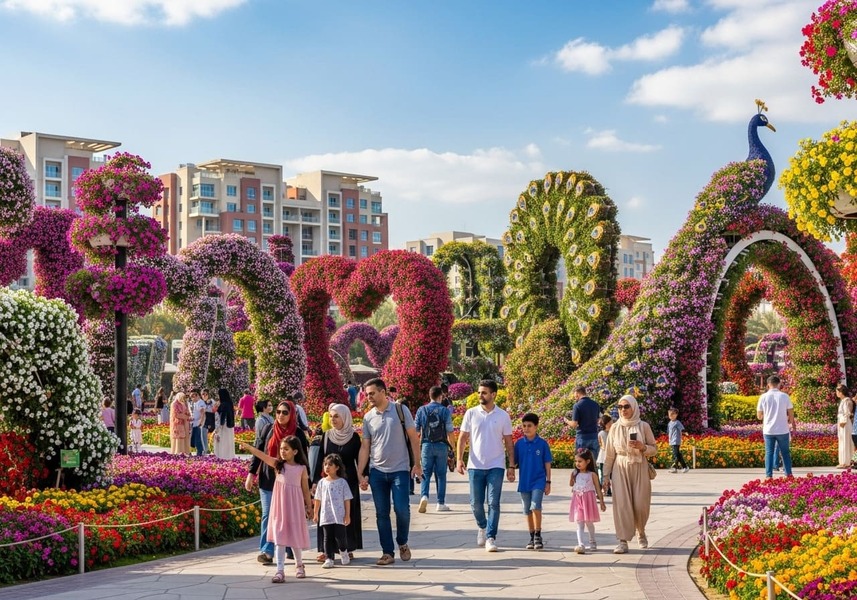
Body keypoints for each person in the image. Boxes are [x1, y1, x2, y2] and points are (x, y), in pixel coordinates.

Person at [357, 378, 422, 566]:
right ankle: (387, 552)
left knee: (402, 509)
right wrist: (360, 472)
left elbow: (413, 438)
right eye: (367, 394)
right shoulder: (368, 417)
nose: (368, 397)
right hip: (377, 472)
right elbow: (365, 447)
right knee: (381, 513)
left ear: (383, 392)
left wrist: (417, 464)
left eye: (372, 393)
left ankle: (402, 541)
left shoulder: (401, 410)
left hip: (400, 470)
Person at [239, 436, 312, 583]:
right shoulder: (278, 465)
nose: (283, 452)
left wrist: (309, 506)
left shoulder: (301, 469)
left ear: (295, 451)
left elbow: (305, 489)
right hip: (280, 507)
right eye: (281, 449)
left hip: (295, 507)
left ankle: (299, 565)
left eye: (286, 449)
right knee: (280, 537)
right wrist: (248, 447)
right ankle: (280, 570)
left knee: (295, 535)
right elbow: (262, 456)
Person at [246, 400, 309, 567]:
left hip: (290, 482)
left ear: (292, 414)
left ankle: (289, 546)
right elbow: (259, 450)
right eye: (278, 411)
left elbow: (304, 460)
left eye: (285, 412)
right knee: (269, 514)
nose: (280, 415)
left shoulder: (298, 433)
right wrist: (251, 473)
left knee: (288, 515)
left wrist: (309, 484)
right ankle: (267, 551)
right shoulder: (268, 429)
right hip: (268, 479)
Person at [456, 379, 515, 553]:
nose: (480, 395)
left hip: (496, 465)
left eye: (484, 392)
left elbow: (509, 442)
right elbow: (463, 437)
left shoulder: (503, 415)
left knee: (494, 503)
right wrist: (459, 459)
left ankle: (490, 536)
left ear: (493, 394)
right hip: (475, 465)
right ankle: (482, 526)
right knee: (475, 503)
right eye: (479, 392)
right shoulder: (471, 413)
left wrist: (511, 466)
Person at [602, 394, 657, 554]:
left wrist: (642, 447)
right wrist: (605, 476)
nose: (623, 410)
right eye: (620, 407)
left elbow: (654, 449)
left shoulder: (643, 426)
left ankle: (641, 531)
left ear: (634, 407)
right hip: (620, 467)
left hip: (639, 466)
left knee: (640, 504)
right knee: (622, 505)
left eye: (626, 406)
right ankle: (622, 540)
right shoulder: (614, 427)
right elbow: (610, 454)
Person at [311, 403, 363, 563]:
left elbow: (360, 459)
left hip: (348, 482)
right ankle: (327, 551)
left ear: (345, 417)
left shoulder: (353, 437)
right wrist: (315, 481)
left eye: (337, 416)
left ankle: (347, 548)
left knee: (347, 515)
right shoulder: (327, 436)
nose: (333, 419)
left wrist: (364, 476)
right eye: (331, 416)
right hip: (328, 483)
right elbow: (320, 459)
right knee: (326, 515)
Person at [514, 412, 552, 551]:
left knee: (535, 506)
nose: (526, 428)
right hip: (524, 481)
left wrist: (548, 482)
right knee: (526, 510)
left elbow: (547, 463)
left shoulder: (542, 444)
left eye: (529, 426)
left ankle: (538, 534)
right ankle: (531, 535)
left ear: (536, 426)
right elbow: (514, 461)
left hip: (538, 480)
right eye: (524, 426)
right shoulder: (519, 444)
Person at [415, 386, 455, 513]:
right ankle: (440, 503)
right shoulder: (445, 411)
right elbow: (450, 432)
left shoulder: (422, 410)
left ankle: (424, 496)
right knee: (441, 475)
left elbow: (416, 431)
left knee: (425, 473)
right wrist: (452, 449)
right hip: (442, 446)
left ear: (429, 395)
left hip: (426, 445)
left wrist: (416, 448)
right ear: (440, 396)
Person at [312, 453, 353, 569]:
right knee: (327, 537)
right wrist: (316, 513)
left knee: (340, 537)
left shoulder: (342, 482)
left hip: (339, 515)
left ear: (337, 467)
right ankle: (329, 558)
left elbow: (347, 499)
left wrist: (347, 515)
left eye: (330, 465)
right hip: (326, 515)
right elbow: (317, 499)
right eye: (325, 464)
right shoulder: (321, 482)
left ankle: (343, 551)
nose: (327, 467)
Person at [756, 375, 795, 479]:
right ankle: (788, 474)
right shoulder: (784, 396)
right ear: (779, 384)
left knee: (769, 452)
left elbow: (759, 416)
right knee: (785, 452)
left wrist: (767, 415)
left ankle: (769, 476)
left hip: (768, 430)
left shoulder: (763, 397)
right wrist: (792, 423)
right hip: (783, 429)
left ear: (768, 385)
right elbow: (791, 412)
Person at [569, 448, 606, 554]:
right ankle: (581, 544)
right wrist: (572, 477)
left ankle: (592, 541)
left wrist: (602, 502)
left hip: (588, 501)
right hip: (578, 501)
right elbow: (571, 485)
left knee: (589, 523)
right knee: (579, 523)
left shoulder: (592, 475)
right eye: (576, 461)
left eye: (580, 461)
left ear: (588, 461)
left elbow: (598, 489)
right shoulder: (575, 473)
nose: (577, 464)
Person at [565, 385, 601, 459]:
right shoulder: (595, 404)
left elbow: (574, 424)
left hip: (582, 437)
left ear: (578, 393)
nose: (574, 396)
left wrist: (567, 421)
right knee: (593, 463)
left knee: (581, 461)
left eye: (574, 394)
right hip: (594, 436)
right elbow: (598, 420)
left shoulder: (577, 405)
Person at [835, 383, 854, 468]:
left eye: (837, 391)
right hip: (841, 423)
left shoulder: (847, 400)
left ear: (841, 392)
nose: (836, 392)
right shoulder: (843, 401)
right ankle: (843, 462)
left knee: (846, 442)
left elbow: (848, 413)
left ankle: (846, 462)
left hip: (845, 423)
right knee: (842, 441)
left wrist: (843, 421)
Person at [214, 388, 236, 459]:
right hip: (230, 425)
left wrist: (218, 428)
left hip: (224, 426)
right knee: (229, 441)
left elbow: (222, 417)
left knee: (223, 441)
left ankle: (223, 456)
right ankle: (229, 456)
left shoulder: (223, 404)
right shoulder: (230, 403)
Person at [667, 408, 689, 473]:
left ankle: (675, 468)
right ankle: (685, 467)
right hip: (671, 441)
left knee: (676, 454)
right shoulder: (669, 423)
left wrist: (685, 433)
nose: (670, 416)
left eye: (672, 414)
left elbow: (682, 429)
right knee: (678, 454)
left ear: (676, 415)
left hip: (676, 440)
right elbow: (669, 432)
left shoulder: (677, 422)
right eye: (669, 414)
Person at [596, 414, 612, 495]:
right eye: (610, 422)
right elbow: (603, 445)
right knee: (603, 474)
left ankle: (608, 489)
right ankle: (605, 490)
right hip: (603, 457)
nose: (612, 423)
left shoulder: (612, 432)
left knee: (609, 474)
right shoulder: (602, 433)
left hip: (609, 457)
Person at [189, 389, 206, 456]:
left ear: (196, 396)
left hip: (198, 424)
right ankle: (198, 452)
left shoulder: (200, 403)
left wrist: (201, 422)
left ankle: (200, 453)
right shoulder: (196, 403)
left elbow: (202, 413)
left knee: (198, 439)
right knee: (194, 439)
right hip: (194, 423)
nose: (191, 398)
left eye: (192, 397)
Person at [202, 389, 216, 453]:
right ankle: (206, 449)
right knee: (204, 435)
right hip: (204, 419)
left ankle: (214, 449)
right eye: (203, 394)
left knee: (212, 435)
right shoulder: (201, 402)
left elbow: (215, 410)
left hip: (210, 418)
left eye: (206, 394)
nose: (204, 396)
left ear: (208, 395)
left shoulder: (212, 401)